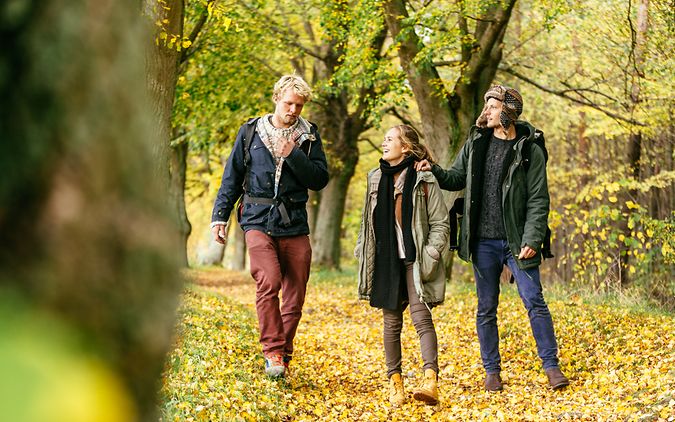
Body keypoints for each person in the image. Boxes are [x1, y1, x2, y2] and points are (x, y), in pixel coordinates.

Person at [416, 85, 569, 391]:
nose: (486, 112)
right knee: (487, 306)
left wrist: (532, 238)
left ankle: (551, 368)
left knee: (534, 300)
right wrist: (432, 169)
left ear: (508, 111)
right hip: (482, 241)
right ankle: (492, 371)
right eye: (486, 106)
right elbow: (456, 178)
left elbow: (539, 199)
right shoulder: (475, 143)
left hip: (517, 241)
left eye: (493, 106)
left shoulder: (530, 150)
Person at [210, 75, 329, 378]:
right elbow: (232, 176)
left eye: (299, 105)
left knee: (296, 291)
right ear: (276, 98)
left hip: (294, 222)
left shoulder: (310, 136)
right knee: (269, 280)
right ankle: (273, 351)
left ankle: (282, 355)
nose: (293, 110)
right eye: (289, 102)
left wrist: (294, 155)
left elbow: (318, 179)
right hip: (257, 218)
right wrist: (219, 217)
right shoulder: (250, 132)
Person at [355, 125, 450, 406]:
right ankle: (395, 382)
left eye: (390, 139)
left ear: (405, 147)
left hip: (415, 260)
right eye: (384, 138)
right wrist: (362, 251)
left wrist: (431, 253)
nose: (384, 142)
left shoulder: (423, 177)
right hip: (386, 261)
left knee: (422, 319)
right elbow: (366, 223)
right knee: (391, 323)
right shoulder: (375, 179)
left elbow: (440, 222)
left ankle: (430, 381)